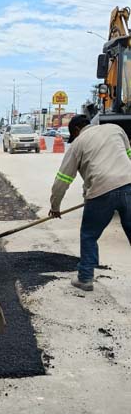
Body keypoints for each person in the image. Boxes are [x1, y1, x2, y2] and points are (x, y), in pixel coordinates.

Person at [49, 115, 131, 291]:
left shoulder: (78, 144)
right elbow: (128, 156)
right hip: (129, 186)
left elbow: (63, 179)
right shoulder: (115, 129)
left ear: (77, 130)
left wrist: (55, 207)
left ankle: (85, 278)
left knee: (89, 235)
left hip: (101, 190)